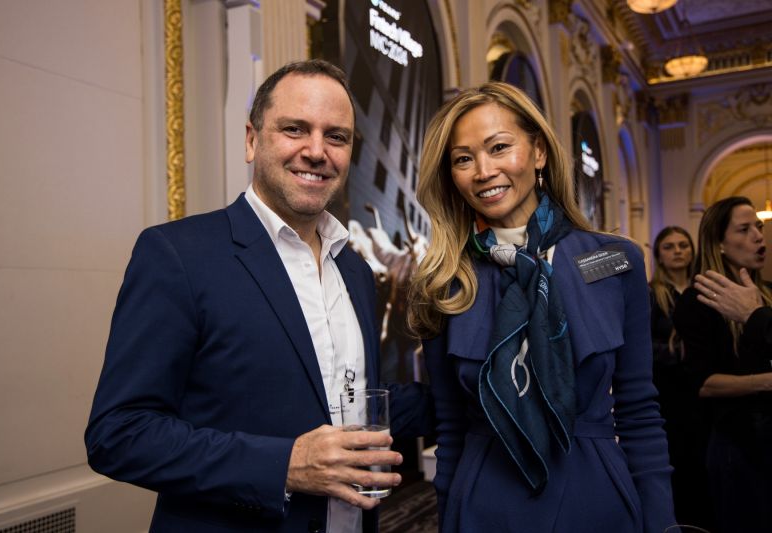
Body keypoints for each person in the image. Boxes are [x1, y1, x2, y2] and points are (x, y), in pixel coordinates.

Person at [85, 59, 431, 533]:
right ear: (252, 140)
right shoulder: (178, 255)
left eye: (336, 136)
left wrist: (473, 391)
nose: (316, 151)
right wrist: (284, 465)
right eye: (294, 129)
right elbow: (119, 434)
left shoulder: (354, 270)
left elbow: (344, 395)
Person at [408, 82, 674, 532]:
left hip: (596, 501)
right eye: (463, 159)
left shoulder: (616, 260)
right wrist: (450, 517)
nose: (483, 171)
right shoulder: (444, 282)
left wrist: (662, 523)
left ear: (538, 152)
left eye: (499, 147)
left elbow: (639, 411)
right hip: (486, 508)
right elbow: (450, 428)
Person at [673, 196, 772, 533]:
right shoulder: (699, 300)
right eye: (744, 230)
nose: (758, 236)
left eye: (758, 227)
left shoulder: (766, 294)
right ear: (719, 243)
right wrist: (767, 381)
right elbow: (704, 383)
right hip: (737, 439)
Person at [649, 227, 711, 528]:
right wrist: (676, 351)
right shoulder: (651, 293)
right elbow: (641, 344)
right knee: (679, 460)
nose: (677, 251)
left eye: (683, 245)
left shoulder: (706, 290)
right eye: (669, 246)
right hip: (669, 391)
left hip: (704, 388)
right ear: (659, 255)